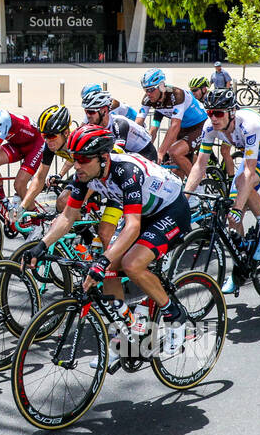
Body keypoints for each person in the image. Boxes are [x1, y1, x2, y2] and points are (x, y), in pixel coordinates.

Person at [24, 125, 190, 357]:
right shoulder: (85, 175)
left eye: (82, 159)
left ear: (103, 158)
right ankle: (123, 337)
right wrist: (41, 245)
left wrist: (103, 260)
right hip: (141, 213)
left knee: (131, 264)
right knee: (109, 268)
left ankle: (174, 314)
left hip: (170, 210)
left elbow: (132, 226)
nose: (77, 165)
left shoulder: (126, 171)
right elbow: (68, 216)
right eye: (74, 159)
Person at [183, 89, 260, 295]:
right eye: (210, 112)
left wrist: (237, 207)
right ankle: (239, 267)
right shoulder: (210, 127)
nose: (213, 118)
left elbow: (250, 172)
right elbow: (200, 165)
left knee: (243, 186)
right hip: (255, 157)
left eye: (219, 113)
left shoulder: (248, 125)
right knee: (233, 220)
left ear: (232, 112)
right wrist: (184, 199)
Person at [0, 88, 46, 208]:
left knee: (19, 184)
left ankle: (35, 219)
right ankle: (3, 200)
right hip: (17, 144)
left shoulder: (3, 119)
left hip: (35, 145)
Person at [139, 69, 208, 178]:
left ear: (161, 86)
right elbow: (140, 125)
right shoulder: (149, 99)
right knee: (176, 171)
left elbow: (175, 126)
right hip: (183, 127)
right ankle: (194, 182)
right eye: (145, 90)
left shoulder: (176, 94)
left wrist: (160, 152)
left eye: (151, 89)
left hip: (199, 125)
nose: (148, 93)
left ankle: (198, 186)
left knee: (175, 152)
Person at [79, 89, 158, 160]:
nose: (88, 116)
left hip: (146, 154)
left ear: (104, 111)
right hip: (129, 153)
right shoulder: (93, 124)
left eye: (91, 112)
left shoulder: (119, 123)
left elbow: (117, 153)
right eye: (86, 111)